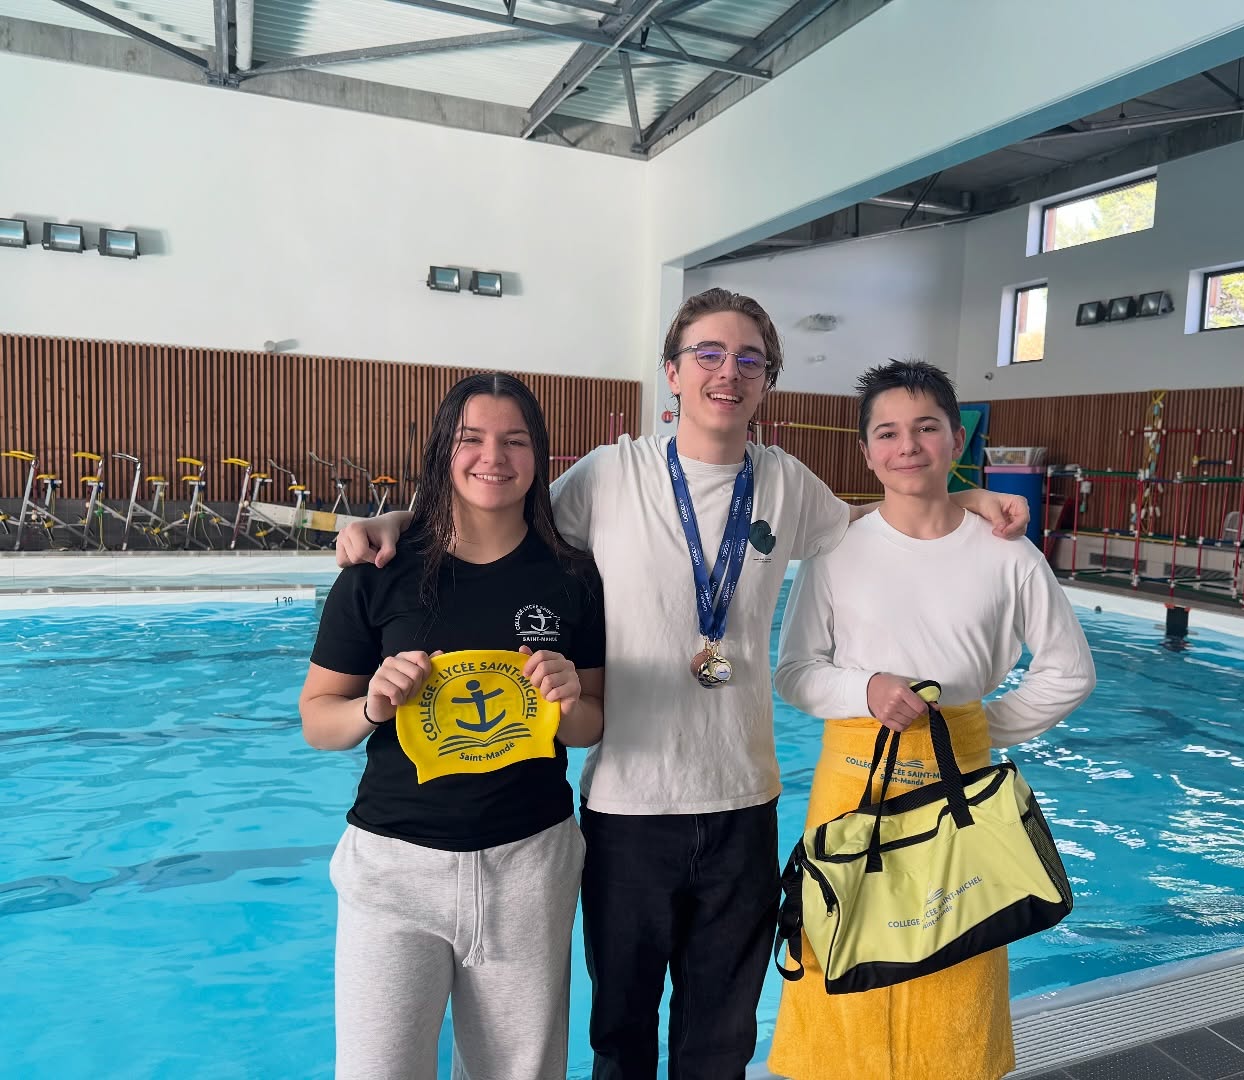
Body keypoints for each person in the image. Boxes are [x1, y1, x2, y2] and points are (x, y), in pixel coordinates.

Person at [334, 289, 1031, 1079]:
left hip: (743, 806)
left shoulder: (788, 483)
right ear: (671, 371)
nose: (726, 372)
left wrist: (966, 498)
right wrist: (396, 523)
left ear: (767, 381)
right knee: (620, 1038)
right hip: (629, 810)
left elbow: (878, 524)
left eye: (748, 360)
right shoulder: (609, 476)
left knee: (721, 1041)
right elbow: (495, 518)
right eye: (707, 354)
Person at [769, 359, 1096, 1080]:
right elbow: (794, 672)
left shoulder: (1006, 554)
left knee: (959, 956)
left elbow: (1069, 671)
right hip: (854, 786)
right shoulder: (836, 552)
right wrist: (866, 692)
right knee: (844, 955)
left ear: (956, 439)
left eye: (925, 428)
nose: (906, 446)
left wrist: (977, 729)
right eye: (887, 432)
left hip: (960, 789)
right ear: (866, 452)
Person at [300, 372, 606, 1080]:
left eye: (514, 440)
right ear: (444, 451)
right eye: (471, 439)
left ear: (538, 458)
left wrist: (567, 703)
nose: (492, 457)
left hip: (529, 865)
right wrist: (373, 705)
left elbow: (591, 724)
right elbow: (320, 720)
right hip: (394, 869)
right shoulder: (380, 572)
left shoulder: (572, 578)